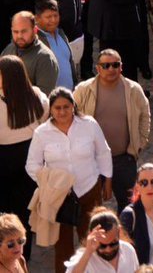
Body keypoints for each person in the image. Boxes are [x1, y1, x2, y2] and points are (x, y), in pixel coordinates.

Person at [26, 87, 112, 271]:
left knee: (93, 237)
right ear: (51, 109)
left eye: (66, 106)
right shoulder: (42, 133)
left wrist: (108, 180)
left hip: (89, 189)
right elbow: (32, 165)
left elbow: (103, 153)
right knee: (63, 245)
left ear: (73, 106)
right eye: (57, 108)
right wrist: (51, 184)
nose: (62, 111)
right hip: (59, 198)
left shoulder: (89, 124)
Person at [73, 47, 152, 211]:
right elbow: (72, 117)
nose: (111, 69)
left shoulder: (133, 89)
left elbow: (145, 114)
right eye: (106, 65)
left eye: (115, 65)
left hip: (124, 158)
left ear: (121, 67)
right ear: (98, 68)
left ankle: (125, 235)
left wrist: (140, 143)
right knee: (90, 206)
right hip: (91, 160)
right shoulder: (83, 89)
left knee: (129, 206)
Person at [0, 56, 48, 249]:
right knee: (24, 211)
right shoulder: (38, 97)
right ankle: (23, 253)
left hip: (3, 160)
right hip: (30, 158)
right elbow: (45, 123)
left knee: (3, 212)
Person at [64, 209, 138, 273]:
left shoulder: (128, 250)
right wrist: (88, 253)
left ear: (118, 231)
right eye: (102, 245)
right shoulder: (83, 258)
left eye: (113, 244)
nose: (108, 249)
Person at [3, 11, 59, 94]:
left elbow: (43, 98)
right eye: (15, 32)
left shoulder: (45, 58)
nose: (19, 36)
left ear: (35, 30)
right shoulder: (9, 49)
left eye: (24, 31)